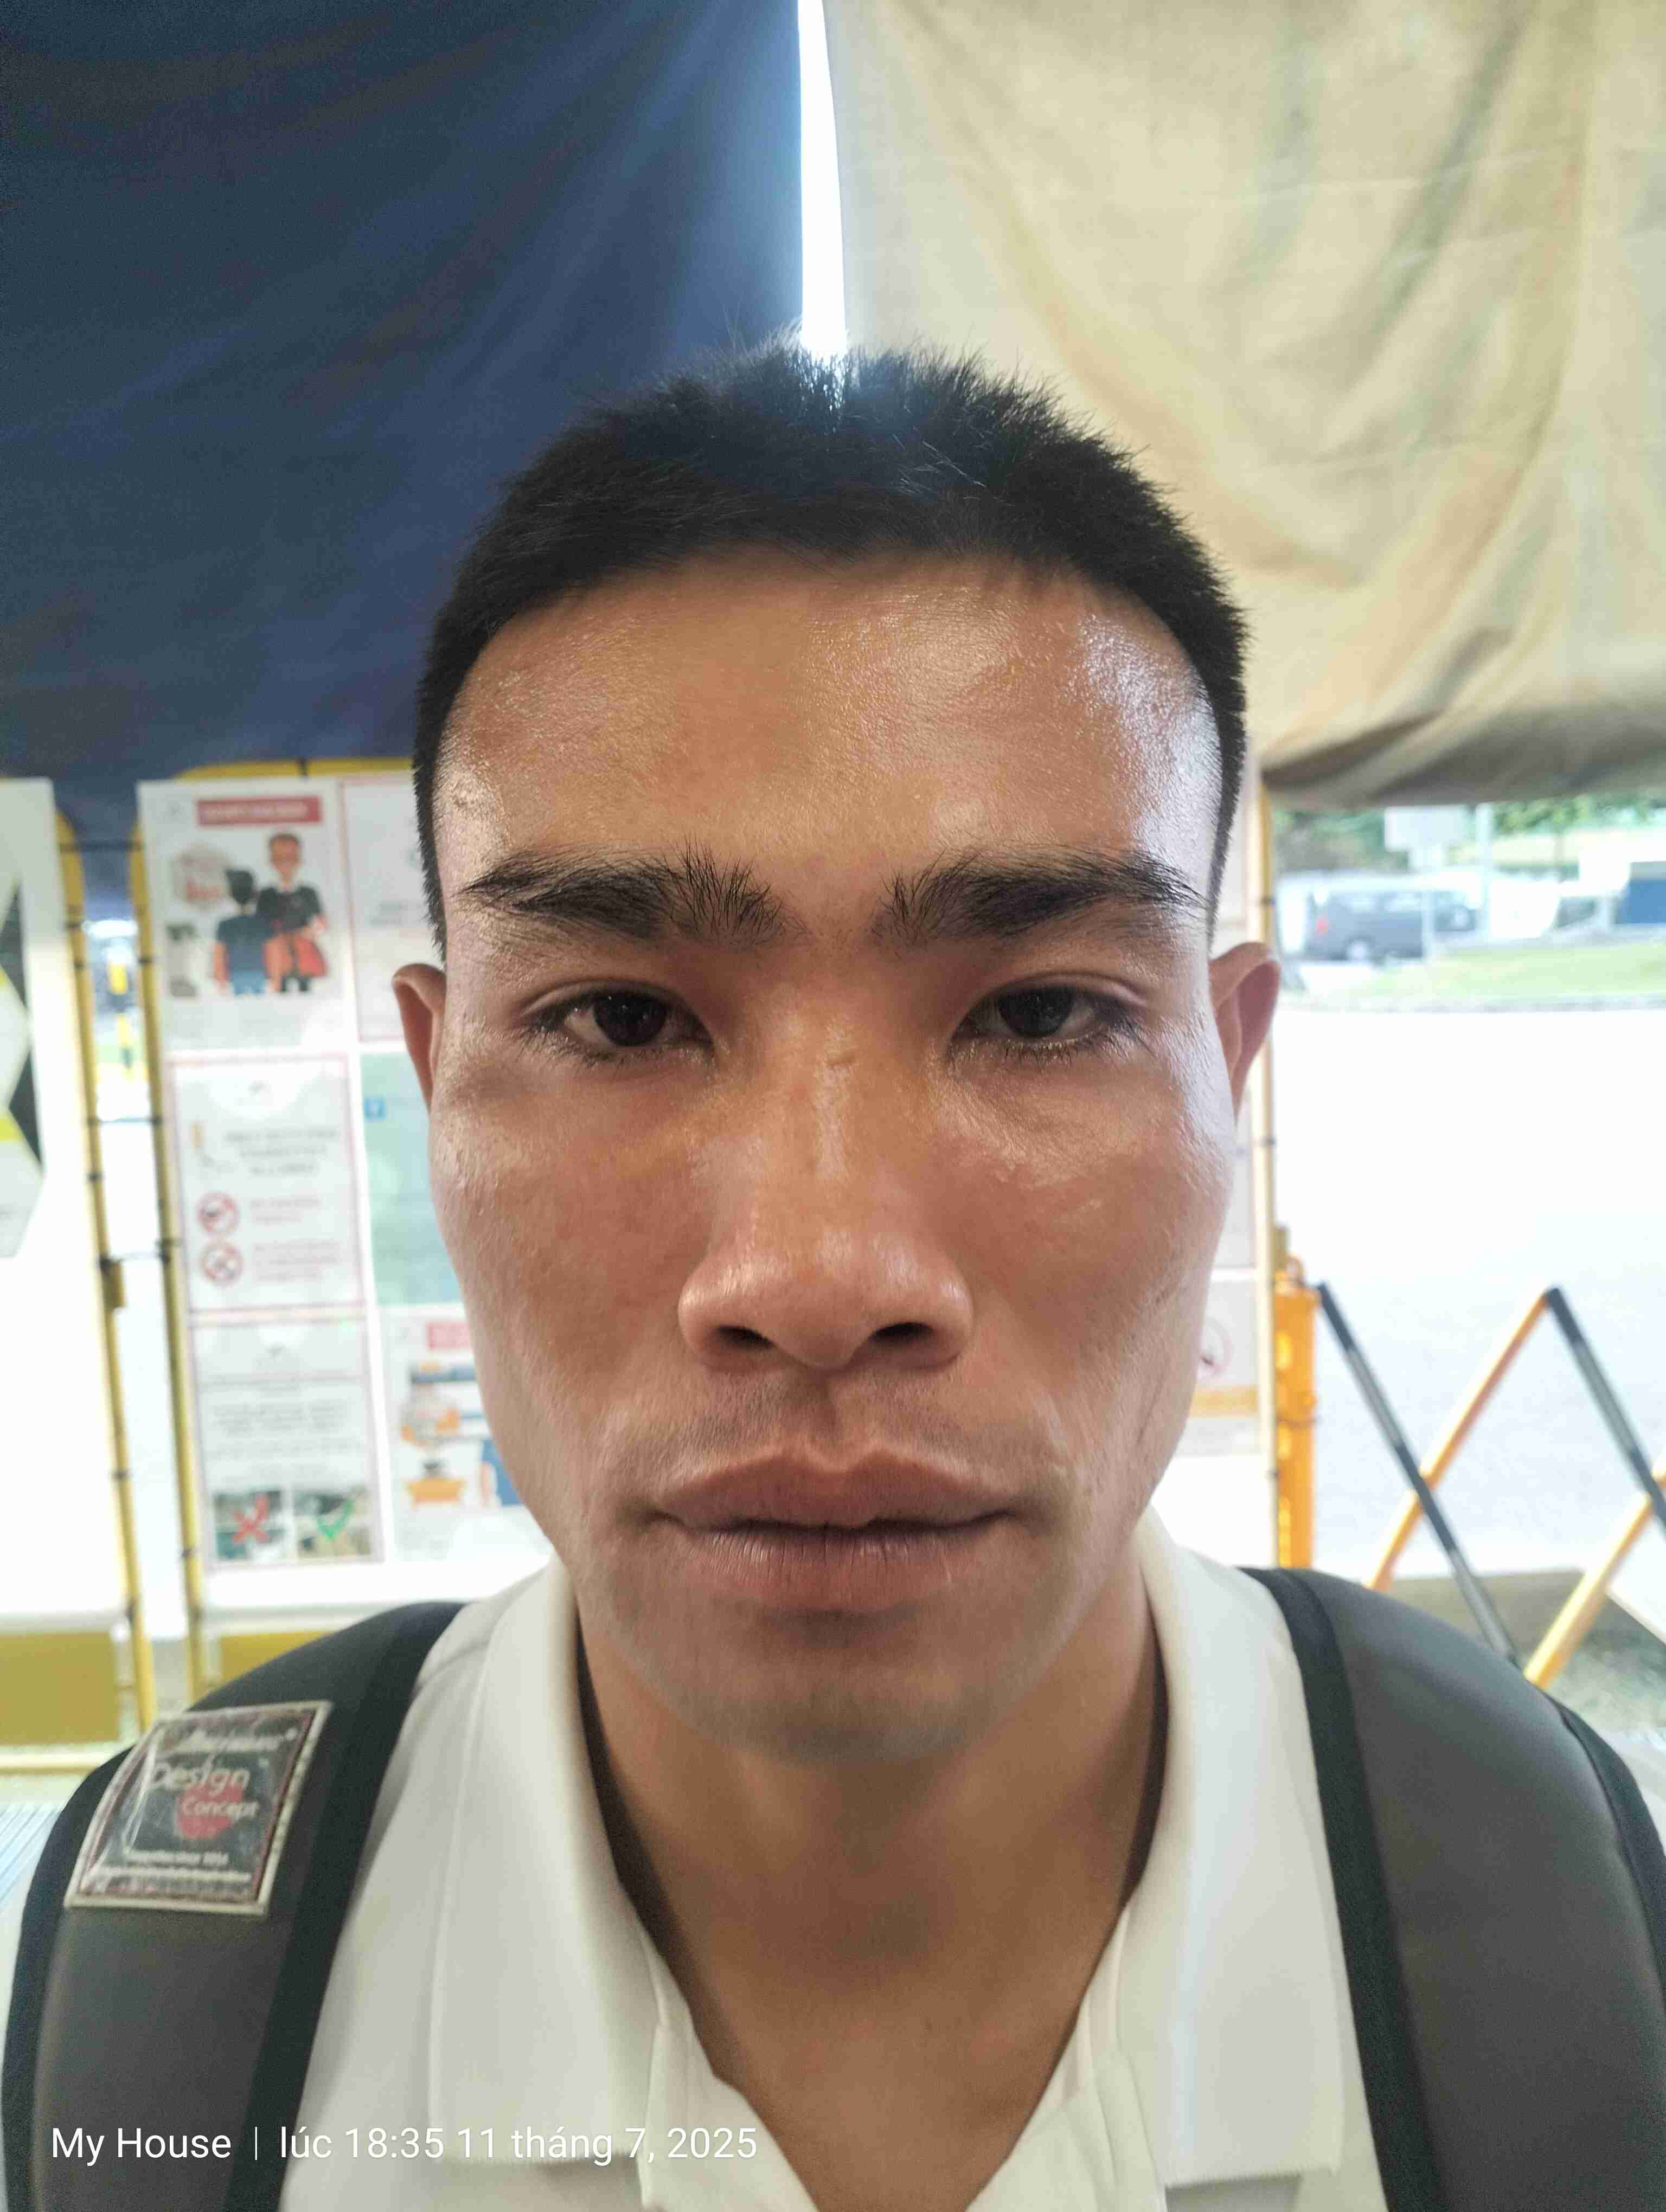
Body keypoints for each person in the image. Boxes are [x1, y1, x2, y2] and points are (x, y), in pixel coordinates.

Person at [4, 343, 1662, 2211]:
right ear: (435, 1074)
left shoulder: (1533, 1926)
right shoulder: (194, 1989)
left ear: (1229, 1067)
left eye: (1040, 1013)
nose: (816, 1277)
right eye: (621, 1019)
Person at [255, 830, 328, 992]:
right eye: (280, 858)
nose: (286, 863)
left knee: (305, 986)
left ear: (299, 859)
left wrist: (310, 933)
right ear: (272, 861)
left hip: (304, 950)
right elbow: (260, 925)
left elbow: (321, 923)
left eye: (291, 857)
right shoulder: (266, 895)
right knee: (281, 986)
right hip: (278, 951)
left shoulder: (308, 893)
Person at [209, 867, 271, 994]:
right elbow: (272, 951)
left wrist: (220, 978)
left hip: (243, 973)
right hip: (252, 973)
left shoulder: (226, 925)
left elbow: (219, 954)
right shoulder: (262, 923)